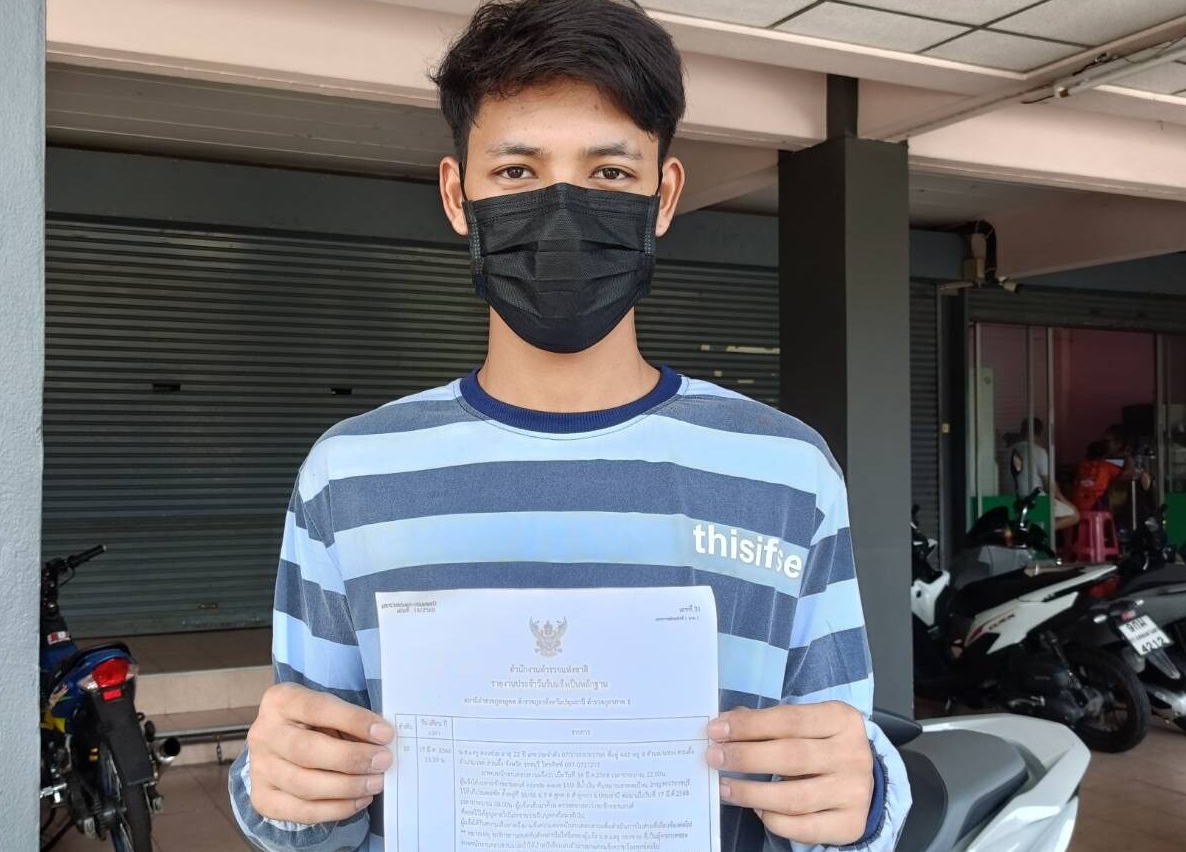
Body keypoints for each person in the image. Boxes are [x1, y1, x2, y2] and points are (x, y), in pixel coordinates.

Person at [227, 1, 910, 849]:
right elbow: (310, 799)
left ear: (664, 196)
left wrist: (865, 796)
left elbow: (833, 785)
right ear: (457, 195)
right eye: (517, 170)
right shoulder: (349, 477)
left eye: (610, 173)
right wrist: (277, 791)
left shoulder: (787, 473)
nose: (562, 211)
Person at [1008, 418, 1079, 531]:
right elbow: (1050, 484)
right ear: (1039, 433)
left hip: (1009, 499)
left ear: (1021, 431)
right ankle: (1038, 531)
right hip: (1034, 501)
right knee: (1074, 515)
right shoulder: (1039, 451)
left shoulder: (1009, 450)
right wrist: (1064, 500)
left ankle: (1034, 529)